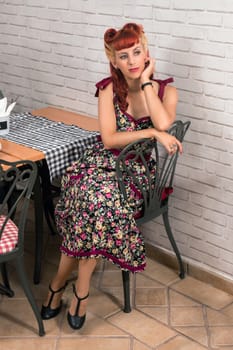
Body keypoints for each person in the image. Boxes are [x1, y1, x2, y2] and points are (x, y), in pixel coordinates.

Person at [41, 22, 182, 330]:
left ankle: (60, 286)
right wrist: (150, 133)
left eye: (137, 52)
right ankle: (79, 291)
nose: (132, 61)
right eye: (123, 56)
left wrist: (146, 82)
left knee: (92, 205)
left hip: (137, 172)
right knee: (89, 200)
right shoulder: (108, 89)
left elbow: (163, 122)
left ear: (146, 52)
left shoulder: (166, 91)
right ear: (113, 61)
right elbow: (108, 140)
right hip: (100, 162)